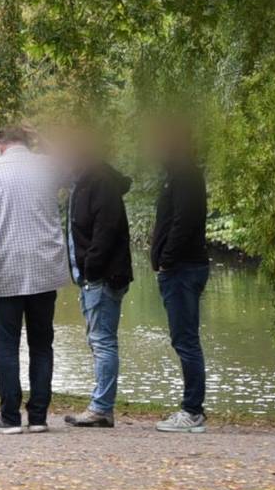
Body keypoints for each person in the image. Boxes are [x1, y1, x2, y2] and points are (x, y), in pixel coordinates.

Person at [0, 124, 72, 434]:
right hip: (45, 269)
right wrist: (43, 136)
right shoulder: (47, 166)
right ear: (26, 142)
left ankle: (9, 417)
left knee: (7, 346)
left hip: (7, 269)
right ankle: (38, 417)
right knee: (42, 344)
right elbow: (71, 162)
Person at [146, 119, 212, 433]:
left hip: (183, 269)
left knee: (185, 340)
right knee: (183, 339)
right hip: (179, 268)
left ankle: (192, 411)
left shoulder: (185, 175)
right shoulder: (177, 174)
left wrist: (167, 261)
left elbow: (184, 222)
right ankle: (191, 408)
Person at [63, 133, 133, 428]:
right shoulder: (87, 180)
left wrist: (91, 269)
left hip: (102, 277)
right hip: (96, 276)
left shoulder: (99, 182)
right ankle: (101, 405)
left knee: (103, 342)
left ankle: (101, 408)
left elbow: (103, 232)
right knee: (100, 340)